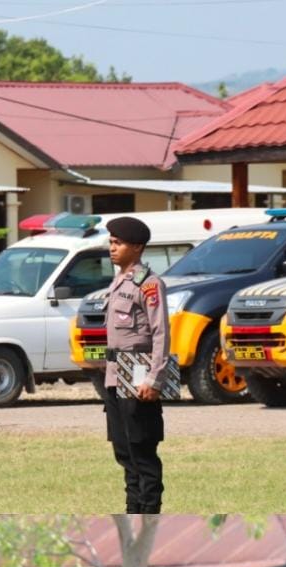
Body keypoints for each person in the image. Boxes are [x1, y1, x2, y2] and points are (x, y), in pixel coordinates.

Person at [101, 215, 170, 514]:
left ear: (138, 247)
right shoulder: (118, 281)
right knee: (123, 451)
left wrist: (155, 379)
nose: (112, 248)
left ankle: (150, 513)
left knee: (142, 450)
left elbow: (161, 333)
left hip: (139, 371)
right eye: (111, 242)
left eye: (118, 243)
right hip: (116, 374)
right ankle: (133, 512)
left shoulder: (150, 284)